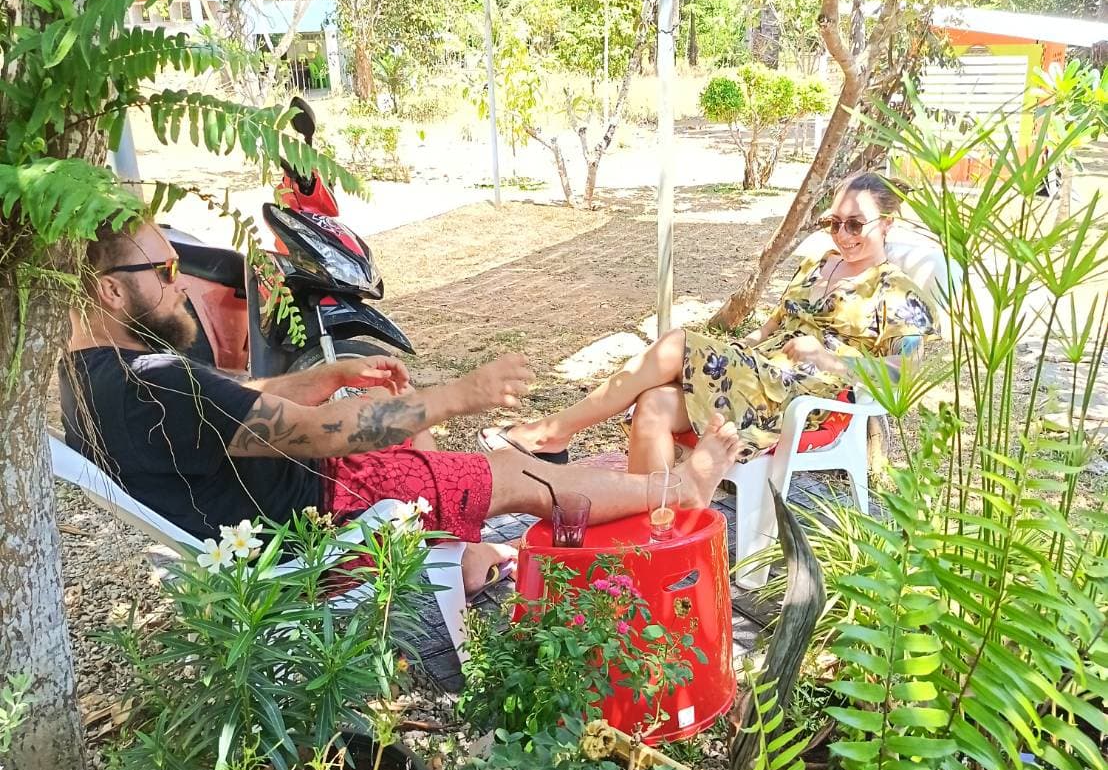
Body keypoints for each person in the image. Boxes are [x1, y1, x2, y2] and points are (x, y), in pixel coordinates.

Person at [61, 221, 744, 596]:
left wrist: (320, 377)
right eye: (165, 273)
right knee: (518, 474)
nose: (182, 287)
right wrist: (459, 394)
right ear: (110, 292)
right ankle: (676, 488)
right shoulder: (156, 380)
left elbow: (239, 411)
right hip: (321, 514)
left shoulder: (92, 381)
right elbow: (317, 435)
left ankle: (464, 554)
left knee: (392, 418)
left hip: (284, 502)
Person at [482, 172, 937, 474]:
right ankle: (655, 535)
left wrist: (829, 360)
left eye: (855, 225)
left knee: (675, 343)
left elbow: (906, 377)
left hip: (799, 396)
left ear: (887, 224)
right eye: (833, 223)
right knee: (654, 405)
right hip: (754, 374)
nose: (842, 235)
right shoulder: (818, 265)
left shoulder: (898, 293)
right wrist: (742, 346)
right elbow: (770, 328)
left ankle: (552, 432)